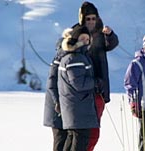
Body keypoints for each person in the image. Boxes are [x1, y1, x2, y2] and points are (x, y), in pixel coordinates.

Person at [63, 1, 119, 150]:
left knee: (93, 132)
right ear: (82, 19)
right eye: (88, 19)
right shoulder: (76, 33)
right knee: (86, 133)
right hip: (83, 91)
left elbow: (112, 45)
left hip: (98, 88)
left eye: (93, 18)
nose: (91, 22)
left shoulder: (100, 33)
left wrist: (110, 35)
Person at [58, 25, 99, 151]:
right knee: (80, 140)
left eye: (87, 39)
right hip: (77, 108)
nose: (85, 42)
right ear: (75, 39)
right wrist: (96, 82)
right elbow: (79, 83)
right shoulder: (75, 58)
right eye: (82, 38)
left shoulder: (78, 56)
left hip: (76, 108)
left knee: (73, 138)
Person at [43, 33, 69, 151]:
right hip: (57, 110)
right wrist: (57, 102)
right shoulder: (59, 59)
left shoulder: (61, 58)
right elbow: (51, 84)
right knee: (59, 141)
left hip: (61, 109)